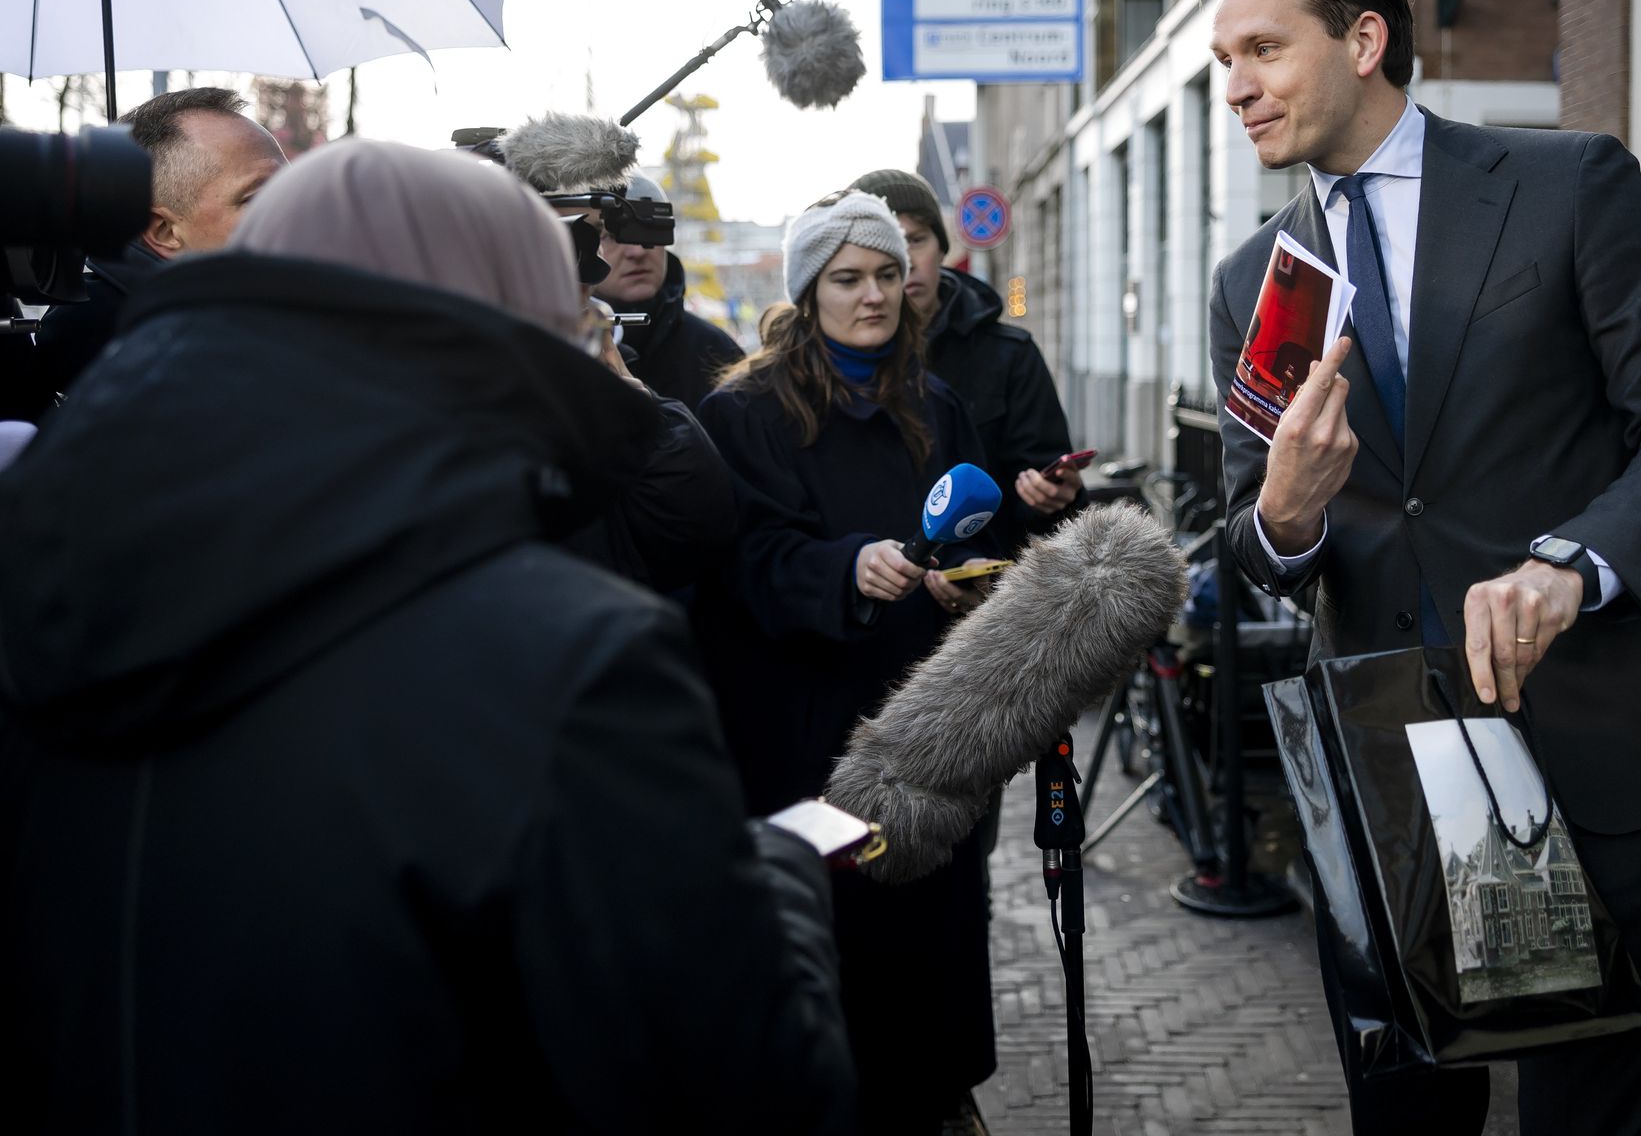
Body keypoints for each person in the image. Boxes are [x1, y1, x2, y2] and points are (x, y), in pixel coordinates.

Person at [0, 141, 855, 1134]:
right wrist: (777, 888)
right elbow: (760, 1092)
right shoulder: (572, 660)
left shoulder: (39, 566)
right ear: (528, 322)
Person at [1205, 0, 1641, 1136]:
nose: (1236, 87)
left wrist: (1572, 568)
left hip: (1601, 755)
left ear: (1362, 40)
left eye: (1263, 51)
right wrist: (1287, 514)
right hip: (1391, 786)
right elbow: (1251, 541)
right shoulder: (1253, 283)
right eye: (1222, 62)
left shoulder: (1571, 188)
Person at [694, 189, 997, 1136]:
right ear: (808, 291)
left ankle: (935, 1096)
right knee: (837, 936)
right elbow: (739, 559)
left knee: (931, 924)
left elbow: (976, 531)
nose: (875, 296)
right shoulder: (746, 412)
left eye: (887, 276)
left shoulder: (935, 402)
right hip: (806, 724)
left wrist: (961, 580)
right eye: (848, 279)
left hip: (925, 721)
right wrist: (845, 569)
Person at [852, 168, 1082, 553]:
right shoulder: (829, 365)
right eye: (885, 243)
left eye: (916, 239)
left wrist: (1056, 495)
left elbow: (1052, 505)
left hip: (986, 592)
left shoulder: (1010, 354)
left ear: (942, 248)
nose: (903, 260)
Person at [28, 86, 286, 408]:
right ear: (165, 232)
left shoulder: (267, 305)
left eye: (292, 186)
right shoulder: (100, 339)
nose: (296, 207)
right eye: (258, 197)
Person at [501, 111, 744, 407]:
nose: (637, 251)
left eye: (648, 231)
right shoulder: (534, 349)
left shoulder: (715, 351)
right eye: (607, 235)